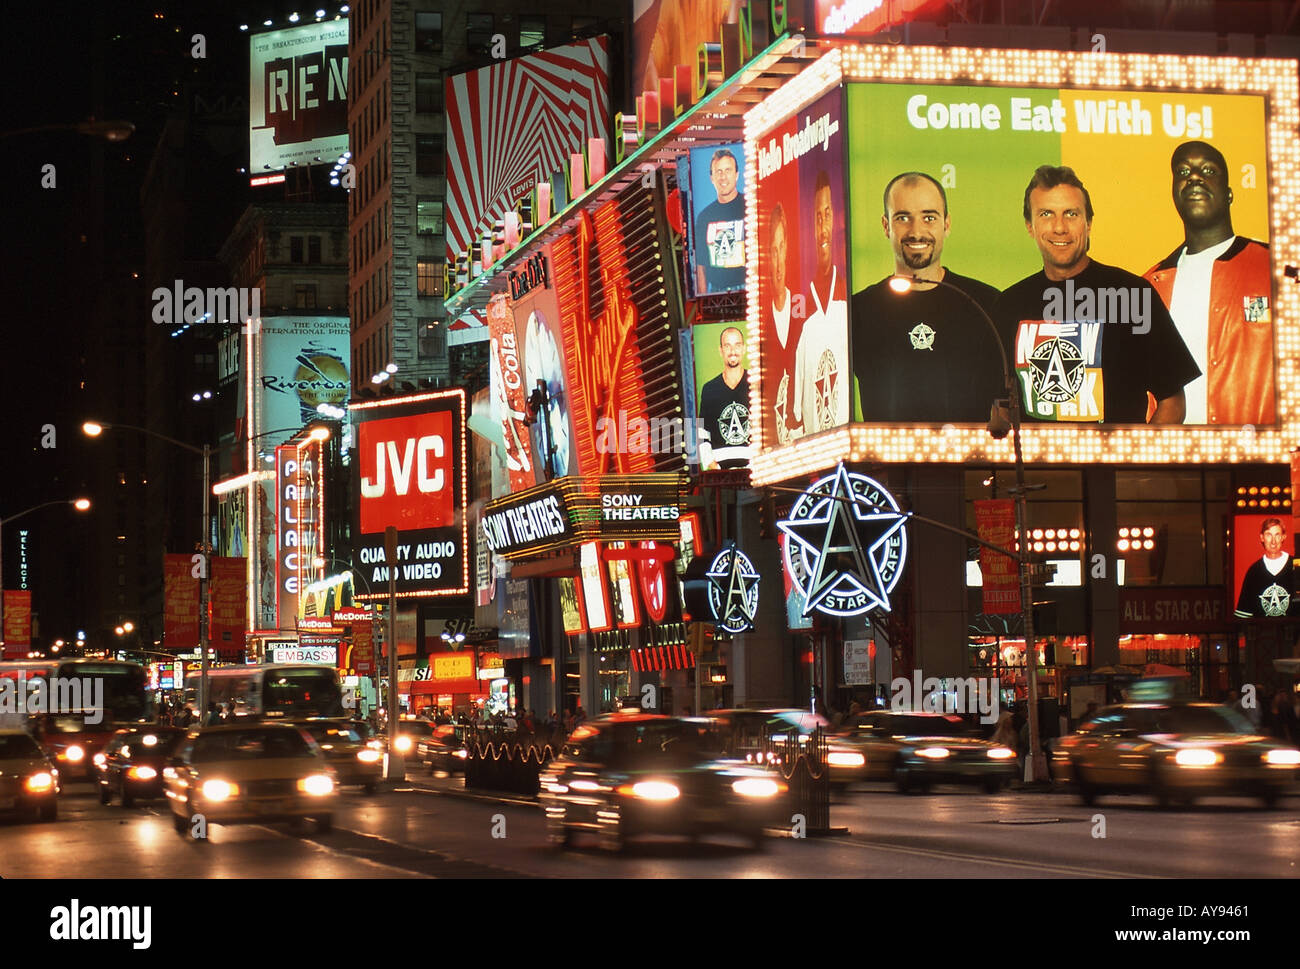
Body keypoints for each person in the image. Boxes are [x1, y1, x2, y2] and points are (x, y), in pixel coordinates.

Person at [994, 165, 1200, 424]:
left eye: (1071, 214)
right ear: (1029, 226)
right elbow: (997, 407)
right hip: (1036, 465)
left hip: (1115, 464)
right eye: (1046, 214)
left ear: (1089, 223)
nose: (1060, 227)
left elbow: (1173, 402)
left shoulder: (1132, 295)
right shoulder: (1009, 305)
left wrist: (1133, 463)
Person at [852, 171, 1003, 422]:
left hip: (972, 460)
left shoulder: (987, 304)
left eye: (929, 217)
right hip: (884, 461)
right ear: (886, 226)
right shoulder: (857, 311)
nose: (916, 231)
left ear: (947, 224)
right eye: (903, 218)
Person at [1144, 141, 1274, 425]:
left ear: (1229, 194)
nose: (1194, 177)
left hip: (1256, 460)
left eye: (1208, 170)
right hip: (1164, 460)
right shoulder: (1147, 286)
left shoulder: (1276, 269)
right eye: (1182, 171)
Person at [793, 171, 851, 434]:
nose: (823, 226)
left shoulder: (850, 298)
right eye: (817, 217)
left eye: (827, 214)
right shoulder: (805, 312)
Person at [761, 202, 803, 445]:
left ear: (788, 248)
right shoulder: (761, 326)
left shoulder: (803, 309)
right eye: (771, 251)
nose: (777, 261)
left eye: (781, 247)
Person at [697, 325, 751, 469]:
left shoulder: (757, 382)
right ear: (721, 350)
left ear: (744, 349)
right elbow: (702, 433)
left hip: (753, 473)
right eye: (727, 346)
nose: (733, 351)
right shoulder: (709, 389)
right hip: (720, 478)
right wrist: (711, 464)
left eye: (737, 345)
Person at [693, 148, 746, 294]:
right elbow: (701, 266)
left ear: (736, 175)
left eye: (728, 171)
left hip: (748, 290)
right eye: (719, 172)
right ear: (712, 178)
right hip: (717, 294)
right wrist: (703, 302)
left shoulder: (750, 205)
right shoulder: (704, 217)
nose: (723, 177)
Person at [1234, 517, 1297, 618]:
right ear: (1262, 537)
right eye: (1269, 535)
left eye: (1277, 535)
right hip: (1262, 632)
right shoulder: (1254, 571)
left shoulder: (1297, 566)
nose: (1273, 541)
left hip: (1291, 632)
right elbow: (1244, 613)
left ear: (1283, 537)